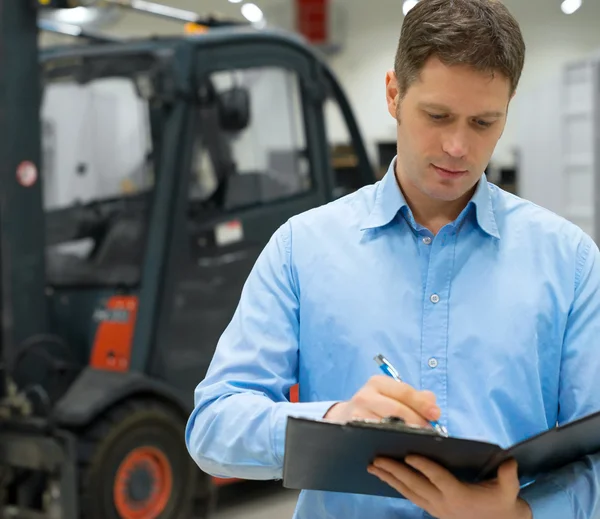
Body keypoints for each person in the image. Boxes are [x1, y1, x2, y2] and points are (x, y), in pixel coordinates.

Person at [185, 0, 600, 517]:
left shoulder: (570, 263)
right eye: (438, 115)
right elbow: (212, 428)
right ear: (393, 93)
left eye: (483, 122)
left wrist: (518, 514)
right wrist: (334, 420)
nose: (457, 147)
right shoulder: (303, 248)